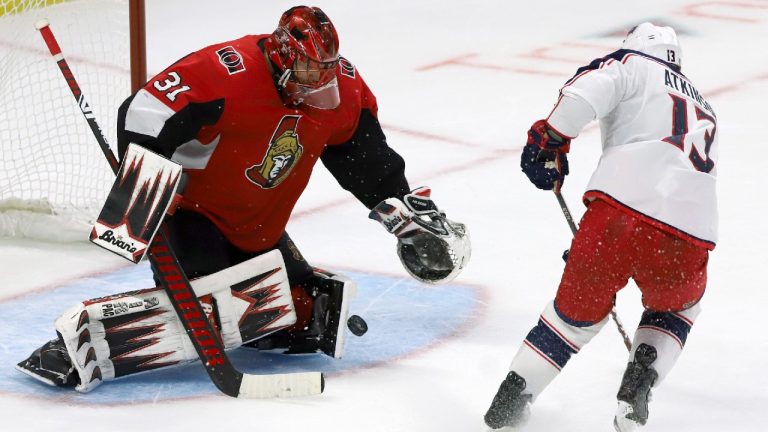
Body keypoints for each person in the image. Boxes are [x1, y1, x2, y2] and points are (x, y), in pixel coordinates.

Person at [16, 5, 470, 393]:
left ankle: (250, 312)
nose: (318, 86)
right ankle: (75, 347)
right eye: (307, 75)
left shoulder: (341, 86)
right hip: (196, 216)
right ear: (281, 59)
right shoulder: (223, 72)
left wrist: (402, 213)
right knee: (230, 304)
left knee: (309, 312)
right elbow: (142, 113)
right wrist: (144, 191)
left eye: (325, 73)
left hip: (260, 224)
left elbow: (361, 156)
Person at [484, 22, 717, 431]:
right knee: (676, 309)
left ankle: (515, 393)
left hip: (618, 213)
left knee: (571, 319)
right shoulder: (704, 104)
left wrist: (548, 140)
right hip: (689, 232)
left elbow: (580, 95)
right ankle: (640, 380)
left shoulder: (631, 64)